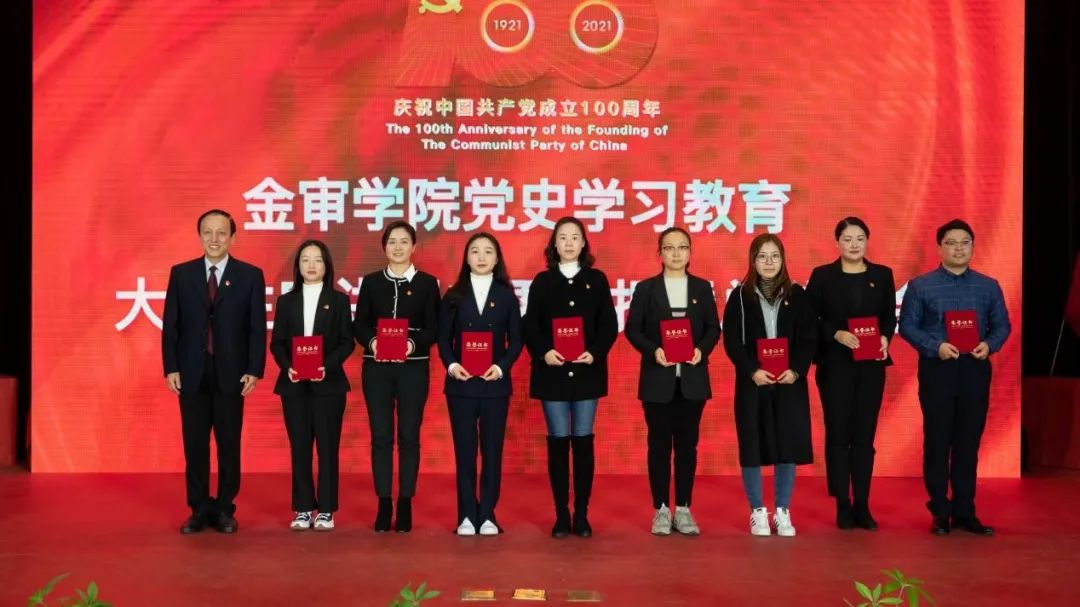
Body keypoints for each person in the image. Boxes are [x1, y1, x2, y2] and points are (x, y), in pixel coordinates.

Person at [899, 219, 1011, 536]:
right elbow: (907, 325)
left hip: (974, 368)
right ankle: (940, 511)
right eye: (951, 243)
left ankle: (964, 512)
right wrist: (935, 346)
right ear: (939, 248)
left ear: (972, 246)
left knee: (967, 442)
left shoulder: (988, 286)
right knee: (937, 441)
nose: (958, 248)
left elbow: (1002, 325)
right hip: (938, 369)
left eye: (965, 242)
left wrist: (990, 344)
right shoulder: (921, 286)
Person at [162, 209, 266, 535]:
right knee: (195, 445)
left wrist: (254, 369)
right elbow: (171, 326)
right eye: (207, 232)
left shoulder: (250, 275)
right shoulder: (182, 274)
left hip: (231, 373)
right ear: (199, 236)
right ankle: (198, 508)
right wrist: (171, 367)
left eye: (221, 232)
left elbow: (256, 328)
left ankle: (223, 508)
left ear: (233, 237)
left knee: (228, 444)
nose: (214, 239)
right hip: (191, 372)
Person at [523, 217, 618, 538]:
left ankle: (582, 514)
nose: (568, 243)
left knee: (583, 440)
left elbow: (608, 323)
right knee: (558, 441)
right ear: (554, 244)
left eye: (575, 237)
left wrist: (595, 351)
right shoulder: (543, 281)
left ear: (583, 243)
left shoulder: (597, 279)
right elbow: (530, 325)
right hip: (552, 372)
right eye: (562, 237)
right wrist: (544, 352)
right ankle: (561, 514)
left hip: (587, 371)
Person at [625, 227, 721, 536]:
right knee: (658, 445)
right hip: (658, 380)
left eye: (682, 247)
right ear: (660, 253)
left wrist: (700, 350)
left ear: (690, 252)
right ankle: (661, 509)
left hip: (692, 380)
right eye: (669, 248)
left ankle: (683, 508)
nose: (676, 253)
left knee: (687, 447)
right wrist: (654, 351)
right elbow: (633, 329)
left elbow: (713, 328)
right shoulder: (646, 289)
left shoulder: (702, 288)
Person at [722, 234, 816, 537]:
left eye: (775, 256)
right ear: (753, 260)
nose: (769, 262)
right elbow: (731, 340)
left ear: (783, 259)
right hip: (754, 382)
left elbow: (808, 337)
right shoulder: (740, 296)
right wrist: (751, 370)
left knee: (787, 444)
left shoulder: (797, 294)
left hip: (789, 381)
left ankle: (782, 510)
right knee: (751, 443)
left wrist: (796, 370)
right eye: (762, 256)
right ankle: (758, 511)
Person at [806, 217, 896, 531]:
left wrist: (885, 337)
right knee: (838, 434)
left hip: (871, 366)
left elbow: (889, 317)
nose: (854, 244)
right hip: (836, 365)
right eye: (847, 239)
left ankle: (863, 503)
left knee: (864, 435)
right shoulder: (823, 276)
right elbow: (809, 317)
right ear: (837, 243)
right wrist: (836, 334)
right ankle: (842, 503)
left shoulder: (882, 275)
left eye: (860, 238)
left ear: (867, 241)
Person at [353, 220, 441, 532]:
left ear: (414, 247)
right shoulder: (371, 282)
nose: (398, 247)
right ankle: (383, 502)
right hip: (376, 368)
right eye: (392, 241)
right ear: (384, 247)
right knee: (380, 435)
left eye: (404, 241)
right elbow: (359, 323)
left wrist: (412, 343)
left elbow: (434, 327)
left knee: (409, 435)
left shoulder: (428, 284)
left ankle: (405, 501)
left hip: (412, 367)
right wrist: (373, 341)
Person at [437, 233, 523, 536]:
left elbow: (516, 340)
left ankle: (487, 514)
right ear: (466, 258)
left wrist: (500, 368)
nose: (482, 257)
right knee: (464, 453)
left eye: (488, 251)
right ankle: (466, 515)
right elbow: (443, 339)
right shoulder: (454, 295)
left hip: (494, 386)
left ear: (497, 258)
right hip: (461, 386)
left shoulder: (507, 296)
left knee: (492, 451)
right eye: (475, 251)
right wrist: (452, 366)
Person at [269, 240, 355, 531]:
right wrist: (288, 367)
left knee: (328, 449)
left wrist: (325, 367)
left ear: (326, 265)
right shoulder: (286, 301)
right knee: (300, 448)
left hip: (329, 385)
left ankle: (327, 510)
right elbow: (277, 343)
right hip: (294, 385)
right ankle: (303, 508)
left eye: (317, 259)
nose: (311, 265)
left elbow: (346, 342)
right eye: (305, 259)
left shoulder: (339, 300)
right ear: (298, 265)